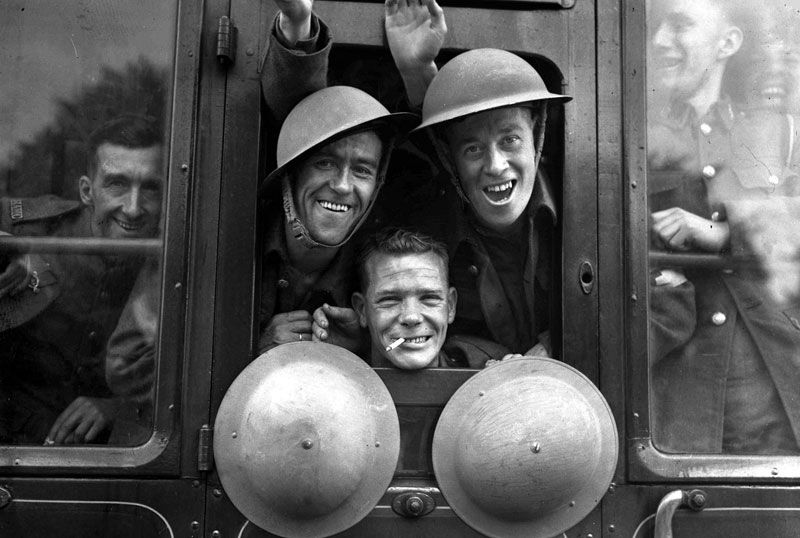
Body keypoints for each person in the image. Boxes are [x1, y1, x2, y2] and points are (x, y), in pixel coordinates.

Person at [647, 0, 800, 454]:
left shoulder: (781, 132)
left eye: (680, 25)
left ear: (727, 42)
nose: (659, 40)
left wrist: (727, 232)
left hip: (777, 392)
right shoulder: (639, 139)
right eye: (657, 27)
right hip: (681, 402)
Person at [255, 0, 416, 354]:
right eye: (325, 163)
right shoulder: (232, 239)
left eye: (362, 170)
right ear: (292, 173)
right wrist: (255, 350)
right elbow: (136, 361)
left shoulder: (379, 266)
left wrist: (367, 353)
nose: (343, 186)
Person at [0, 114, 163, 445]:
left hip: (104, 455)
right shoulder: (32, 228)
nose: (133, 209)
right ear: (87, 191)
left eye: (149, 188)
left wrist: (120, 408)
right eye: (117, 184)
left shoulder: (168, 263)